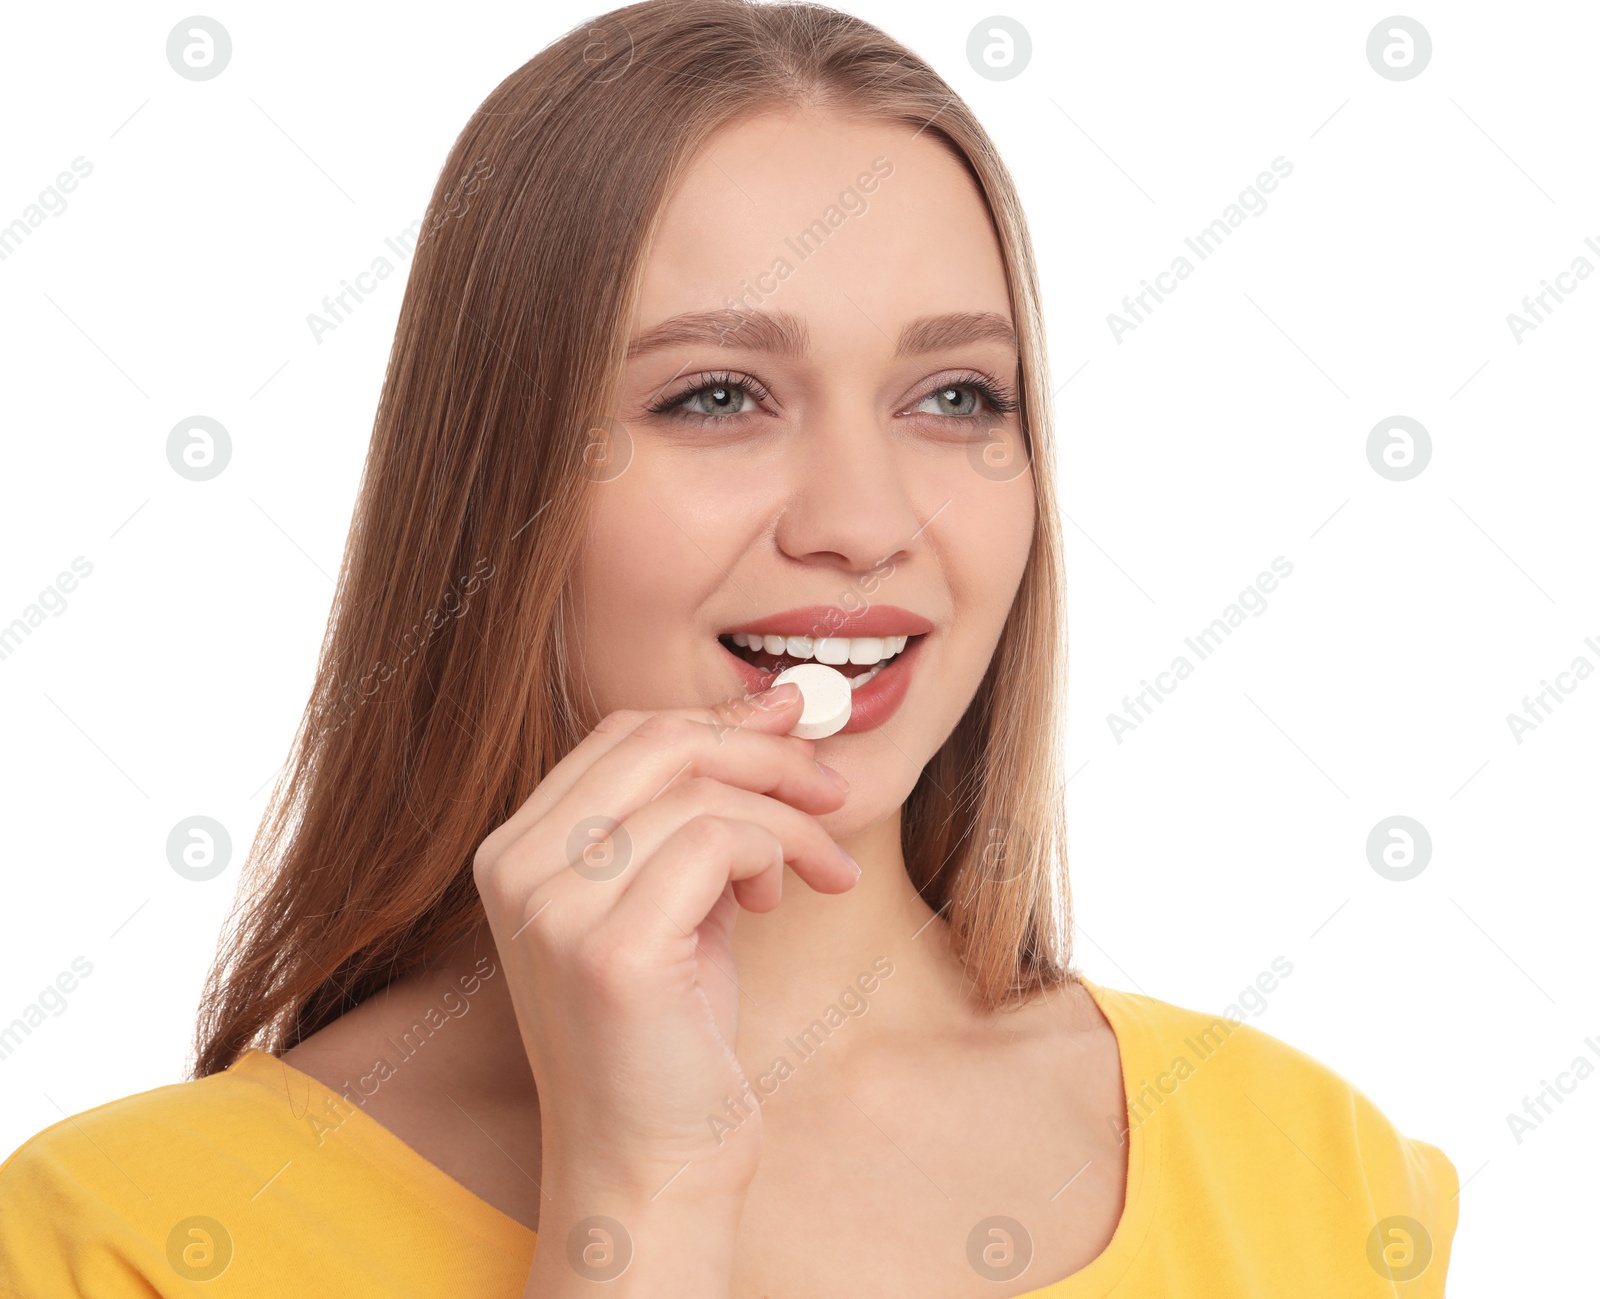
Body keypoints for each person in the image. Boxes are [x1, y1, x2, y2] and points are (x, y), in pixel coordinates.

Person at [0, 1, 1458, 1294]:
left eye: (955, 397)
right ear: (495, 492)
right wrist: (639, 1208)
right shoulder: (118, 1241)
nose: (864, 521)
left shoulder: (1322, 1182)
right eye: (715, 397)